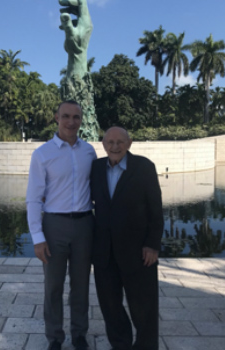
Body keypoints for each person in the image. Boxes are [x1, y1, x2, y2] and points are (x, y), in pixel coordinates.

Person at [26, 100, 96, 350]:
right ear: (56, 118)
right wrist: (37, 237)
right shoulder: (42, 153)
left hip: (85, 225)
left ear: (81, 119)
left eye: (76, 117)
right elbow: (34, 197)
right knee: (53, 286)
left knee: (81, 286)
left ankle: (79, 334)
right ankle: (55, 337)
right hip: (54, 225)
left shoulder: (89, 151)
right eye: (66, 116)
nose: (71, 122)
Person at [90, 127, 164, 350]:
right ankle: (120, 344)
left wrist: (152, 245)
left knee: (144, 307)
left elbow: (156, 209)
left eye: (120, 142)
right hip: (104, 252)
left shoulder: (144, 167)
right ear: (103, 144)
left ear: (129, 143)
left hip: (138, 252)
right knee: (110, 306)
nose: (115, 146)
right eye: (110, 142)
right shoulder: (95, 168)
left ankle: (145, 346)